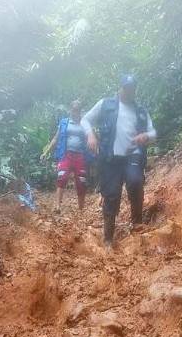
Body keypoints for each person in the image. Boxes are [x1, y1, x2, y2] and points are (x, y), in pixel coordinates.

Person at [82, 74, 156, 248]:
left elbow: (153, 133)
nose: (129, 92)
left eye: (132, 89)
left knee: (136, 181)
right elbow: (85, 120)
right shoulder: (106, 104)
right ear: (120, 88)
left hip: (133, 155)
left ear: (135, 90)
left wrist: (146, 136)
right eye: (126, 88)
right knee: (111, 195)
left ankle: (137, 224)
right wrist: (90, 134)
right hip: (110, 158)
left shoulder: (140, 111)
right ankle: (108, 237)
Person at [42, 100, 89, 212]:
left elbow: (90, 138)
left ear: (80, 111)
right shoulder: (64, 122)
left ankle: (81, 209)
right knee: (61, 177)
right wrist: (46, 152)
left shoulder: (84, 123)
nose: (75, 112)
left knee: (81, 181)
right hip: (66, 154)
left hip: (80, 155)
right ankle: (57, 206)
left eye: (77, 110)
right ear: (70, 110)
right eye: (73, 109)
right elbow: (56, 138)